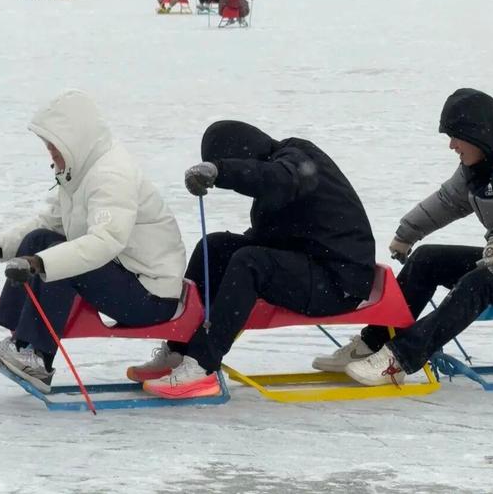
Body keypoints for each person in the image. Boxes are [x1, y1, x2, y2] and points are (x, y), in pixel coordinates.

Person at [311, 88, 493, 387]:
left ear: (478, 134)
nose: (451, 145)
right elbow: (448, 201)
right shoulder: (479, 167)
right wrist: (408, 233)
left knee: (480, 281)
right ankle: (372, 342)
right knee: (427, 259)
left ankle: (400, 359)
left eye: (456, 136)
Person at [129, 120, 376, 399]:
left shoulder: (295, 160)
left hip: (338, 281)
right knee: (216, 246)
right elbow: (270, 232)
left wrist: (221, 171)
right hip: (309, 264)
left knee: (250, 263)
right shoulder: (276, 174)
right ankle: (179, 349)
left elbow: (277, 177)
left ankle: (202, 367)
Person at [0, 90, 186, 392]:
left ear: (74, 141)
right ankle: (20, 342)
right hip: (125, 276)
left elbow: (105, 241)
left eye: (54, 147)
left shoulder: (111, 175)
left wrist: (40, 262)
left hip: (151, 296)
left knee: (60, 260)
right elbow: (49, 222)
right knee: (40, 239)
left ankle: (39, 359)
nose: (51, 155)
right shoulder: (79, 169)